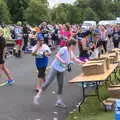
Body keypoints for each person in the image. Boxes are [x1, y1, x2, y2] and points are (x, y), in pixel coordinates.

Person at [33, 40, 84, 107]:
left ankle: (59, 101)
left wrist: (83, 62)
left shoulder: (71, 52)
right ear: (71, 45)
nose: (75, 47)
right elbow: (57, 55)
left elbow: (75, 59)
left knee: (60, 85)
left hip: (61, 70)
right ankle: (37, 96)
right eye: (75, 45)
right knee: (48, 83)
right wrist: (62, 61)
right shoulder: (64, 49)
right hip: (55, 68)